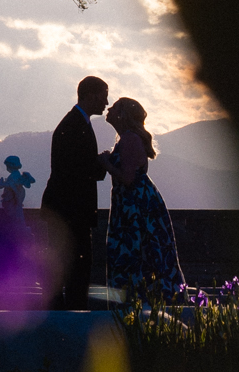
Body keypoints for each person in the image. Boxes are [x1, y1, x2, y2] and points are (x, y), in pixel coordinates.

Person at [104, 97, 186, 299]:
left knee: (136, 254)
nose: (109, 109)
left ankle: (138, 302)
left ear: (123, 115)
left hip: (135, 208)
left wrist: (105, 163)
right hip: (135, 204)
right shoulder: (128, 138)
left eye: (114, 108)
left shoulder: (130, 139)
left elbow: (128, 178)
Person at [41, 76, 111, 309]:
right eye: (103, 96)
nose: (106, 102)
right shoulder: (74, 126)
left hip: (65, 209)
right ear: (90, 96)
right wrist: (102, 163)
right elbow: (75, 169)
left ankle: (65, 312)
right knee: (76, 267)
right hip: (70, 210)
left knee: (68, 267)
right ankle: (72, 315)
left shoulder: (76, 123)